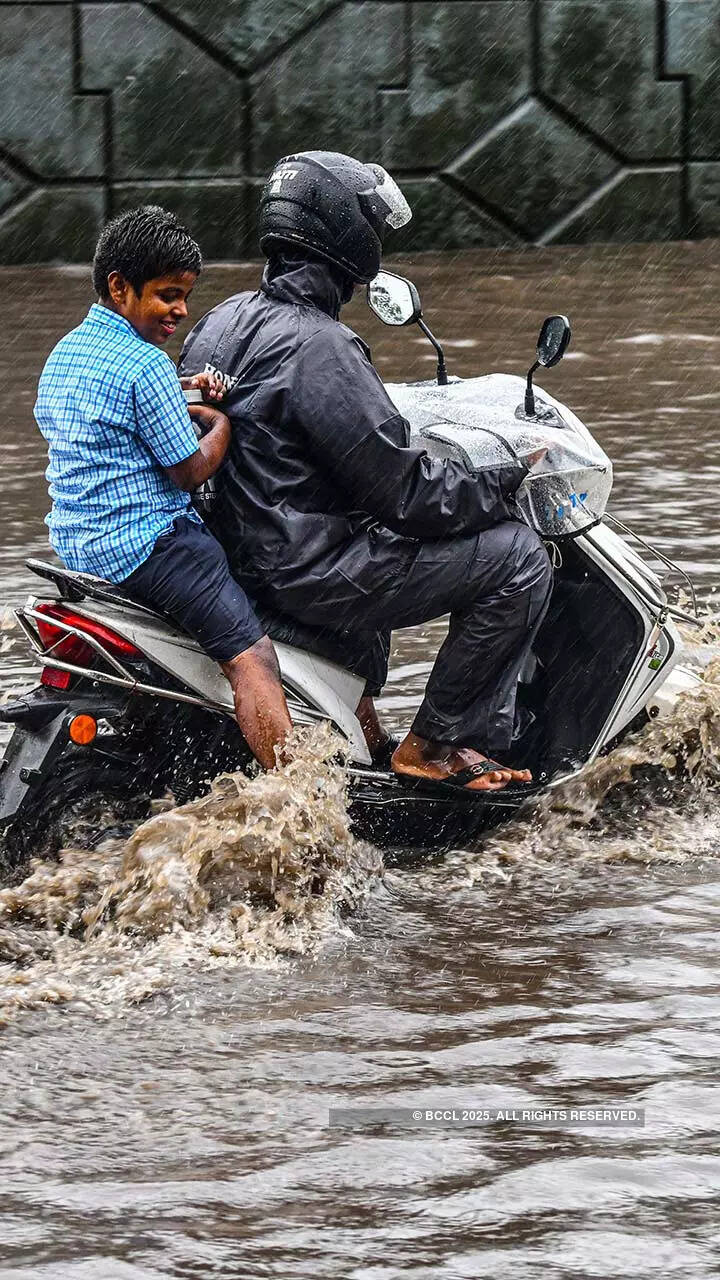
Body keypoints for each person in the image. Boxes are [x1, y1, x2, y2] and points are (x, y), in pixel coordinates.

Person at [179, 153, 553, 792]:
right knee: (519, 559)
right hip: (303, 571)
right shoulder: (322, 346)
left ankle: (365, 731)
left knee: (369, 535)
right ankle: (438, 746)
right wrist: (506, 483)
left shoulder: (224, 318)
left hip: (242, 558)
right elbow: (407, 495)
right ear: (345, 234)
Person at [34, 205, 292, 770]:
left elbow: (107, 411)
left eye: (185, 296)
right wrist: (221, 421)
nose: (180, 310)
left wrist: (181, 389)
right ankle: (299, 803)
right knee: (252, 659)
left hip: (81, 551)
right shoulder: (144, 362)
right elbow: (191, 470)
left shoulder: (66, 353)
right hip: (155, 548)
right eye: (168, 295)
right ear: (119, 287)